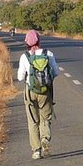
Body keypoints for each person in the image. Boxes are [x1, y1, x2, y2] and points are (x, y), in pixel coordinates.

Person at [17, 30, 60, 159]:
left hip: (30, 92)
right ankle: (45, 138)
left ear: (26, 43)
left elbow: (20, 78)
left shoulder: (25, 56)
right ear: (39, 40)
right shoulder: (48, 54)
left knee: (33, 121)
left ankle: (36, 151)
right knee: (45, 118)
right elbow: (56, 72)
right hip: (45, 91)